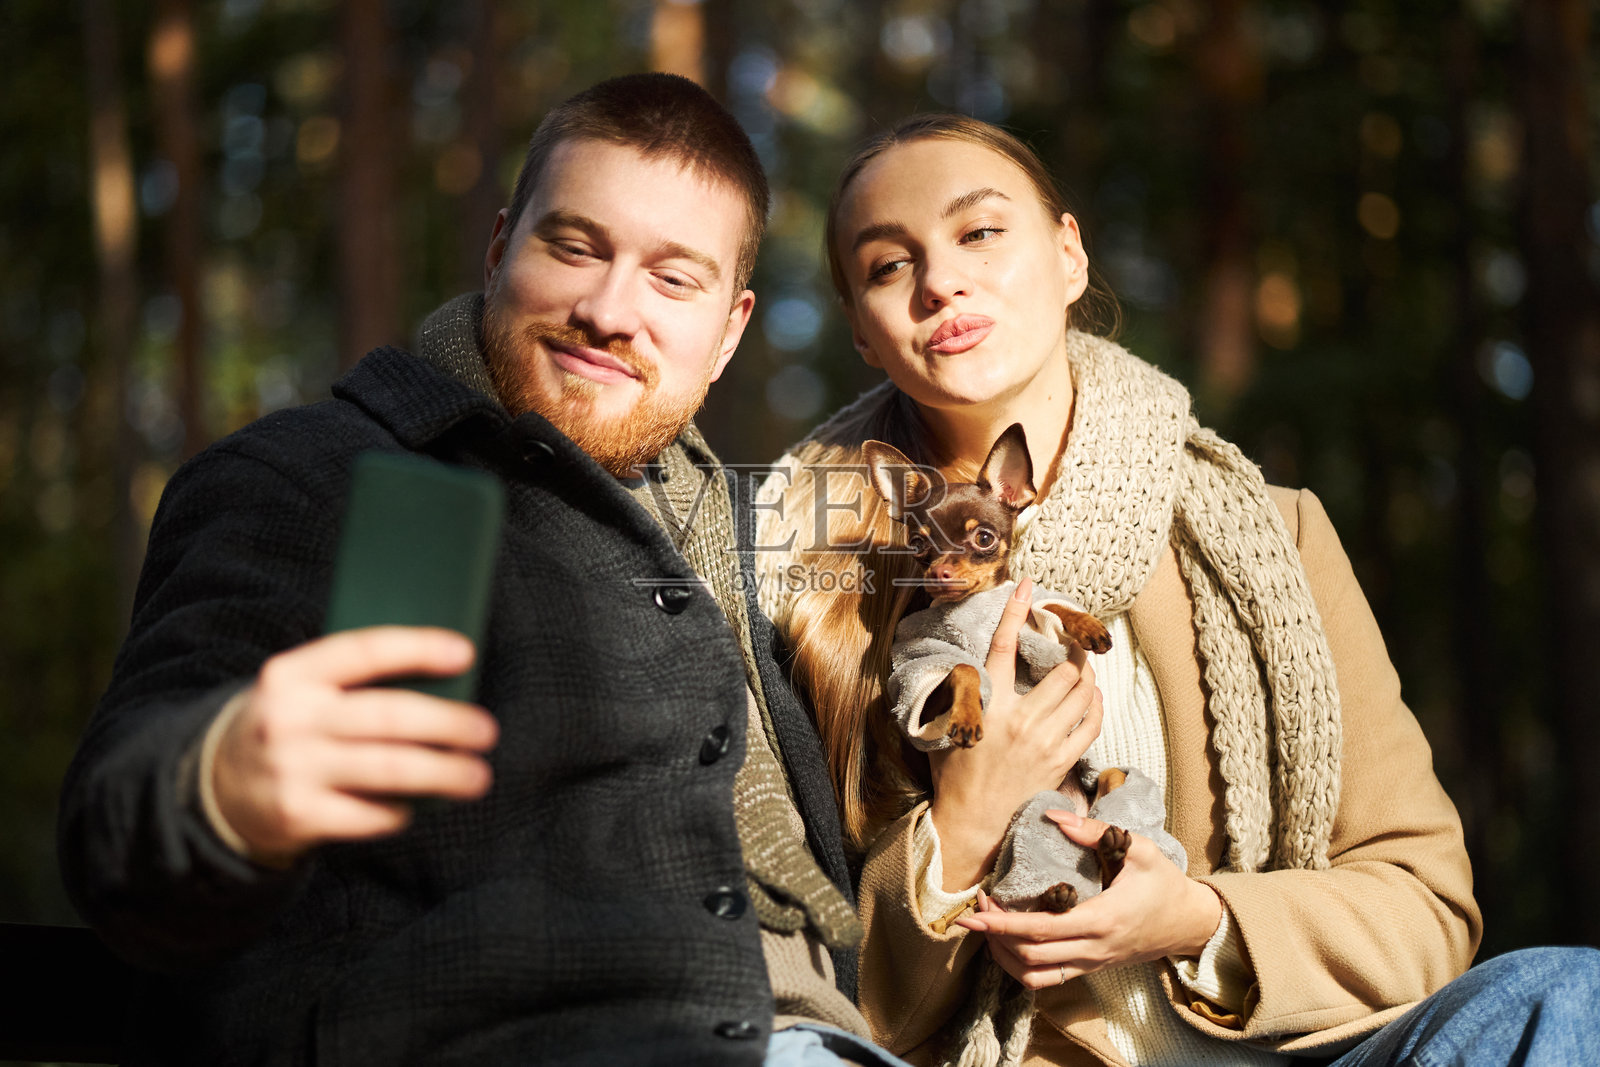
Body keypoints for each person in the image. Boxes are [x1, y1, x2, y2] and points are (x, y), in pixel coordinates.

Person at [57, 73, 913, 1067]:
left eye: (673, 279)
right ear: (502, 246)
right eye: (575, 247)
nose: (609, 310)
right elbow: (115, 833)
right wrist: (217, 785)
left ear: (728, 331)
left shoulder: (757, 539)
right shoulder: (316, 475)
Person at [754, 114, 1600, 1066]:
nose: (941, 281)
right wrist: (961, 828)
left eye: (979, 231)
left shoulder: (1273, 536)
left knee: (1571, 997)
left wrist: (1197, 919)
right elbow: (784, 979)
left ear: (1070, 255)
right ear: (862, 332)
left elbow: (1426, 904)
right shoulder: (796, 580)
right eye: (888, 265)